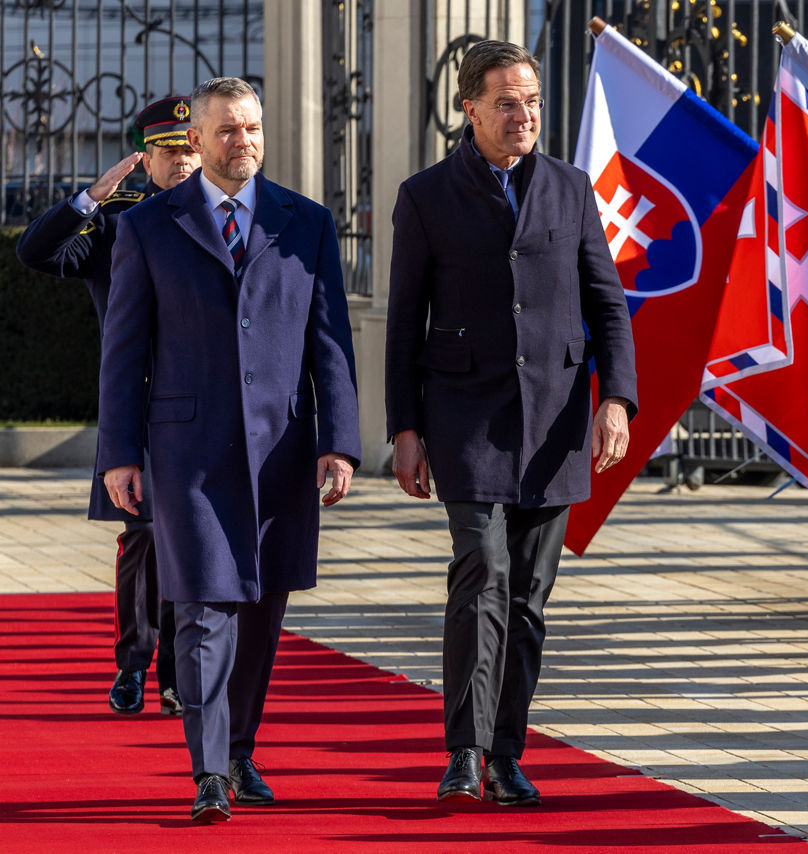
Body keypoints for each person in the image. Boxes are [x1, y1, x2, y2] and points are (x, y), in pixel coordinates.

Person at [97, 76, 361, 822]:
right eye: (226, 132)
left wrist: (339, 441)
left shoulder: (303, 222)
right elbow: (124, 350)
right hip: (187, 452)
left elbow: (329, 340)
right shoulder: (150, 227)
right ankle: (209, 769)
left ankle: (241, 750)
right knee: (206, 604)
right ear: (197, 142)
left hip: (281, 449)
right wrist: (119, 452)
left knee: (261, 609)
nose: (241, 142)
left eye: (251, 129)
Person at [384, 40, 637, 806]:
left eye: (531, 101)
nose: (523, 114)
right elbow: (403, 321)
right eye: (506, 102)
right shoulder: (426, 194)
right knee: (482, 575)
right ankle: (463, 752)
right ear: (470, 109)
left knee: (527, 598)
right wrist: (404, 428)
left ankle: (505, 752)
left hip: (555, 421)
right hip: (464, 416)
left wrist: (616, 399)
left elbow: (608, 304)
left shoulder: (571, 187)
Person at [15, 96, 199, 717]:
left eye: (190, 148)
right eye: (168, 151)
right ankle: (133, 665)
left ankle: (178, 672)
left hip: (207, 407)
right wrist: (90, 197)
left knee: (192, 539)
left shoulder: (230, 217)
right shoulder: (117, 223)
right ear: (144, 158)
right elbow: (37, 254)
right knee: (145, 535)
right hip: (141, 406)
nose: (181, 161)